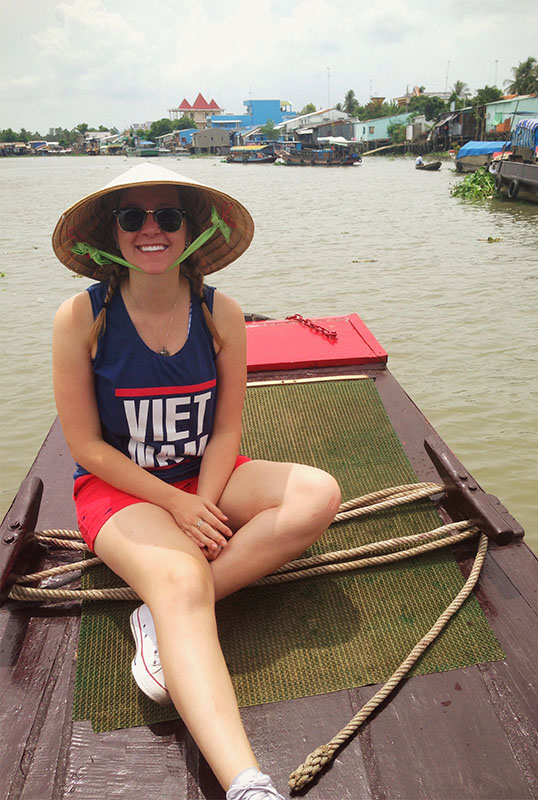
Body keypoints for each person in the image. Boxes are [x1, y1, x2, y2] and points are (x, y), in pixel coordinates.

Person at [52, 162, 341, 800]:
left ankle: (160, 620)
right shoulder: (83, 318)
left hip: (201, 474)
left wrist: (202, 504)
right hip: (120, 490)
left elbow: (227, 431)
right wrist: (174, 509)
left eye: (168, 216)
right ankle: (248, 783)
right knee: (180, 574)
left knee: (318, 493)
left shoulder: (221, 314)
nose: (150, 230)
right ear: (113, 232)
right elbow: (85, 447)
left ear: (192, 229)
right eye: (133, 217)